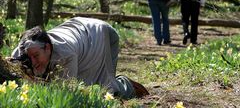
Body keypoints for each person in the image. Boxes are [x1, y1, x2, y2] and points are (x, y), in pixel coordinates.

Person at [11, 17, 149, 99]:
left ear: (47, 47)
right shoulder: (23, 52)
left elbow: (66, 90)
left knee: (106, 92)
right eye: (30, 57)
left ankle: (126, 85)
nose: (32, 62)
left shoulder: (66, 54)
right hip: (80, 33)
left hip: (99, 36)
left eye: (36, 56)